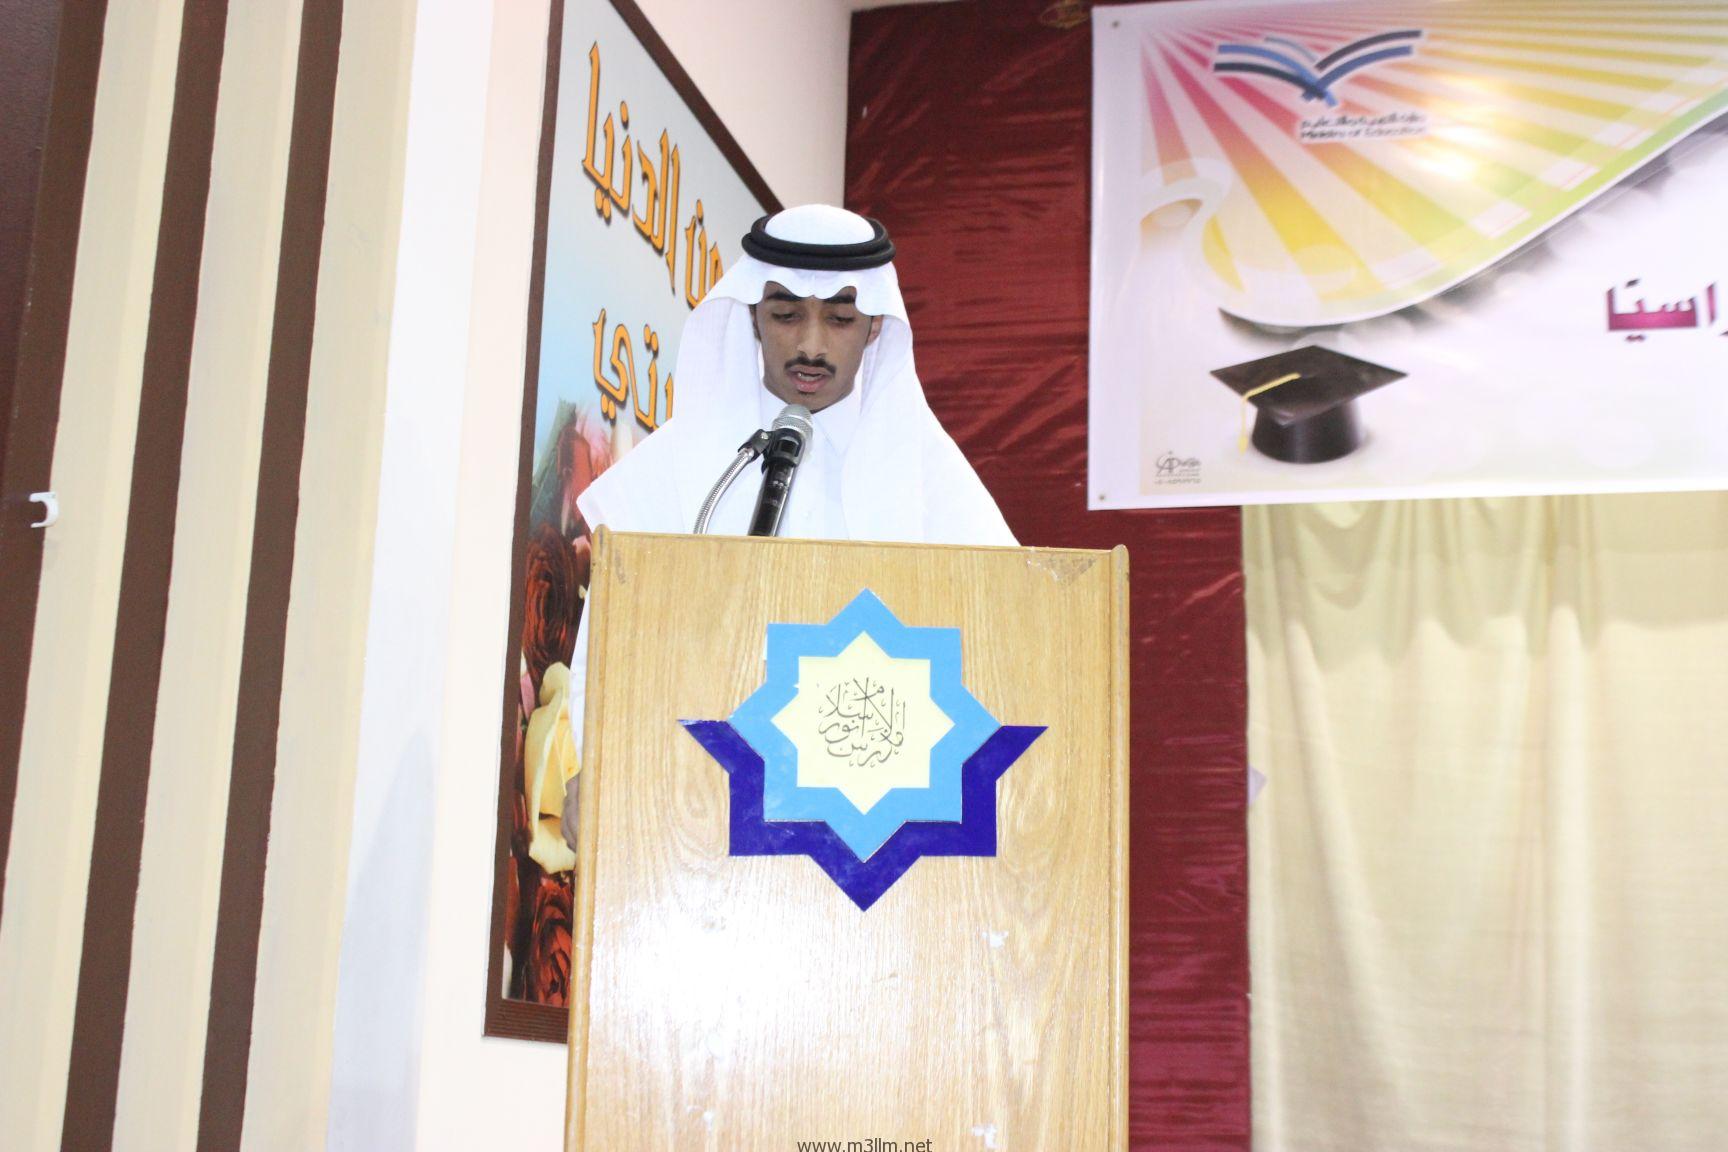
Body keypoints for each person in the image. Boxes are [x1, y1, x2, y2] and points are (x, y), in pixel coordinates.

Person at [561, 204, 1015, 848]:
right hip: (692, 824)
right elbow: (606, 653)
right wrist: (597, 762)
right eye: (786, 315)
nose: (811, 346)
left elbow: (1004, 655)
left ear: (875, 327)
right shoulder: (673, 471)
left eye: (840, 319)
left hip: (878, 839)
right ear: (752, 315)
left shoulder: (934, 486)